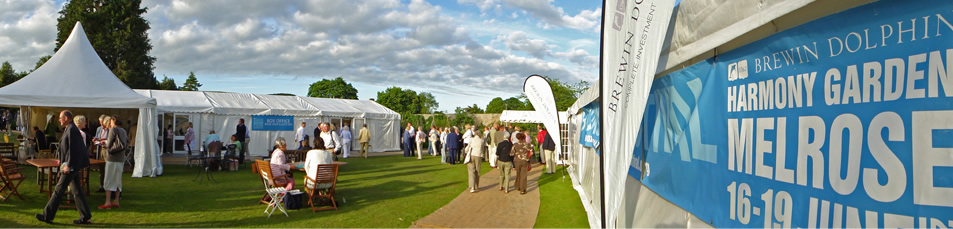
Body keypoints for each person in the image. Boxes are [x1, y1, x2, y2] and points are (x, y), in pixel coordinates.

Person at [36, 110, 92, 224]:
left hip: (71, 166)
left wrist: (68, 165)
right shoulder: (70, 129)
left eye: (61, 118)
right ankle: (85, 216)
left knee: (59, 189)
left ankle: (47, 216)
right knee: (77, 191)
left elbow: (73, 149)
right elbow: (66, 148)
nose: (59, 120)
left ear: (66, 118)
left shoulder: (71, 129)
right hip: (71, 165)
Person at [100, 117, 127, 209]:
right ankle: (116, 200)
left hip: (112, 158)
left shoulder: (113, 130)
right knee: (117, 179)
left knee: (108, 179)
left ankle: (107, 202)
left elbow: (110, 143)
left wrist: (104, 144)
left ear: (114, 121)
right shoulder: (123, 130)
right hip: (121, 158)